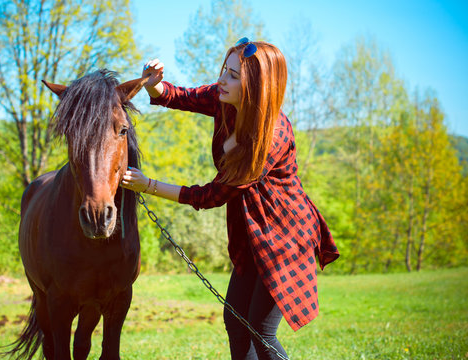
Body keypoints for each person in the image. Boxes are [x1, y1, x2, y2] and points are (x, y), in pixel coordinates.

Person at [121, 38, 339, 360]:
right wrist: (155, 87)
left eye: (234, 75)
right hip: (252, 233)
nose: (222, 79)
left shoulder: (272, 136)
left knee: (260, 331)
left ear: (258, 86)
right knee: (235, 321)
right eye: (226, 70)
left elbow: (211, 195)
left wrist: (148, 184)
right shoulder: (225, 98)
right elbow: (183, 96)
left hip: (284, 236)